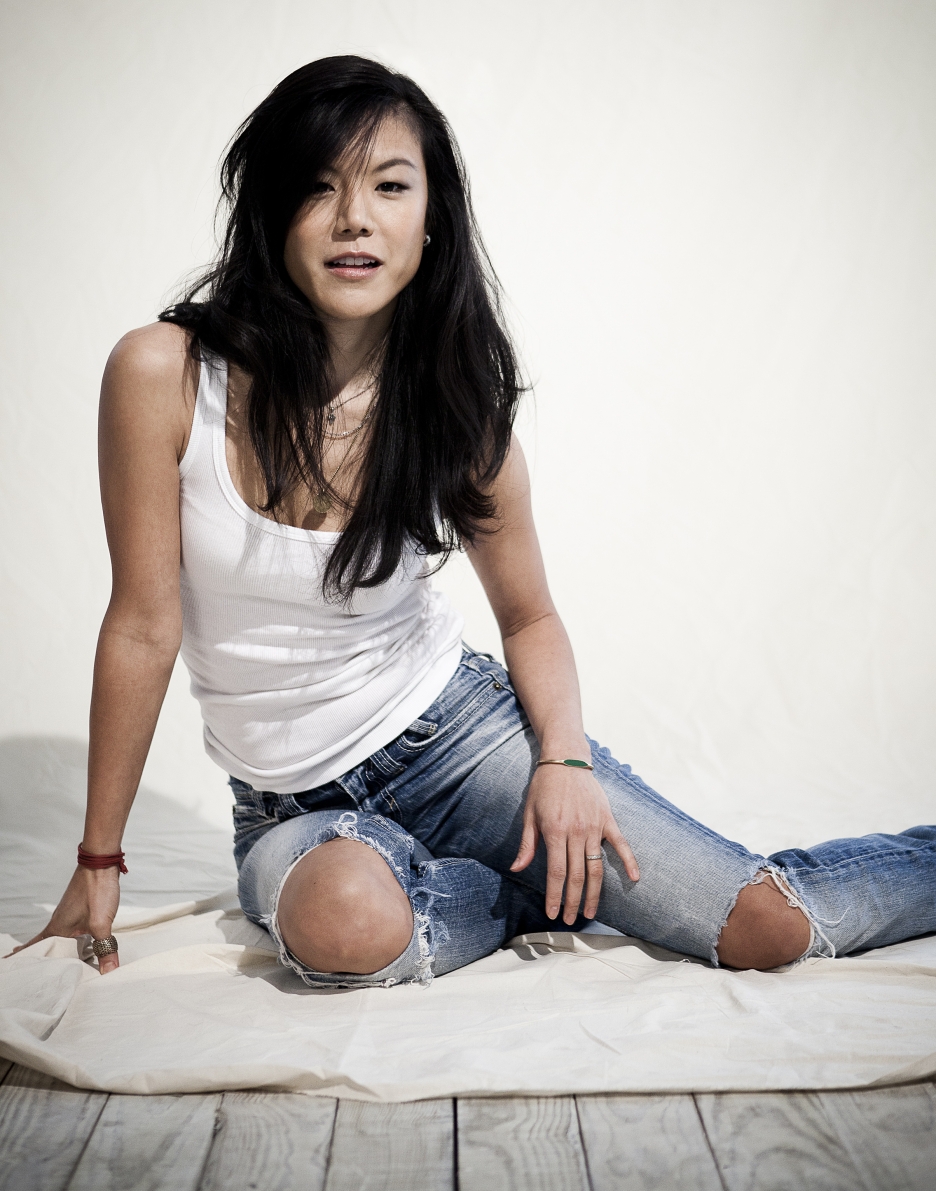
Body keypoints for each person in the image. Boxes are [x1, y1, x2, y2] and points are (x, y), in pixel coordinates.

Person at [20, 57, 935, 987]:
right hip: (292, 810)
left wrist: (564, 762)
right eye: (320, 186)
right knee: (343, 927)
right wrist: (99, 861)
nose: (354, 218)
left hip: (458, 743)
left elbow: (530, 616)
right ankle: (527, 894)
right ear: (272, 211)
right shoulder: (165, 375)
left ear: (431, 219)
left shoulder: (453, 412)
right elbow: (142, 626)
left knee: (765, 929)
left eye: (389, 186)